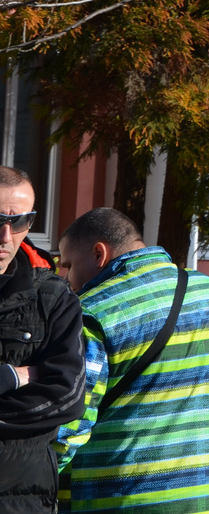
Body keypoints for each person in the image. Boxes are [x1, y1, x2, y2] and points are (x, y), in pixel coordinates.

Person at [55, 207, 209, 513]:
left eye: (68, 265)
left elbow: (70, 422)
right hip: (205, 501)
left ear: (99, 254)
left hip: (116, 502)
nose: (68, 279)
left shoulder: (93, 313)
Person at [0, 168, 86, 512]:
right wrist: (12, 376)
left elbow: (67, 397)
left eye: (20, 221)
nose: (6, 235)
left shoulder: (53, 298)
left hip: (22, 498)